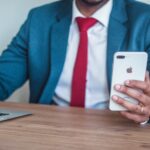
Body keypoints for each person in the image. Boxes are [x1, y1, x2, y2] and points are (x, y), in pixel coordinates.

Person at [0, 0, 150, 123]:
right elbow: (3, 78)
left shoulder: (145, 19)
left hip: (119, 130)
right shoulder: (39, 18)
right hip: (47, 129)